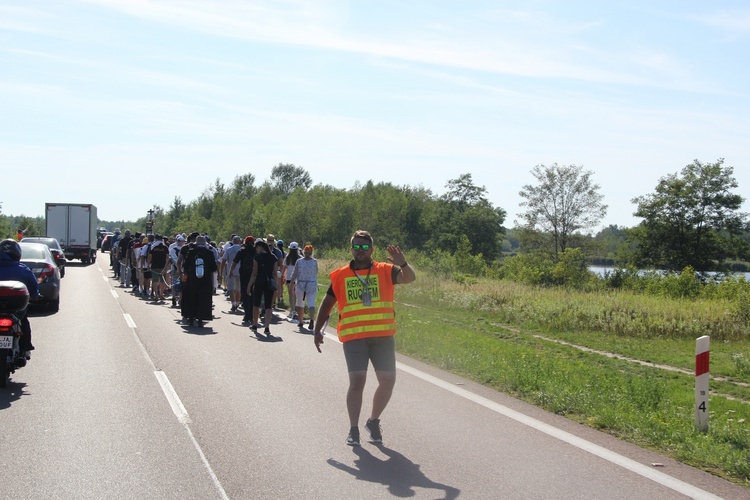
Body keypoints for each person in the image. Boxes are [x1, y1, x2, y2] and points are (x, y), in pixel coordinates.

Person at [313, 230, 416, 446]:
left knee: (388, 381)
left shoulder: (386, 270)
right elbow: (327, 302)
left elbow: (409, 278)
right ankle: (353, 429)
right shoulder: (340, 275)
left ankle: (373, 421)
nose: (360, 250)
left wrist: (403, 263)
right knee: (358, 380)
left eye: (364, 246)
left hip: (383, 336)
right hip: (354, 336)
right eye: (356, 247)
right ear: (351, 249)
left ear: (371, 249)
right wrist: (317, 329)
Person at [0, 239, 40, 358]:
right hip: (17, 309)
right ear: (17, 254)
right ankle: (25, 348)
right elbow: (33, 287)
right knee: (24, 323)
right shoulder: (23, 269)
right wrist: (35, 295)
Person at [180, 235, 217, 327]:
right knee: (203, 298)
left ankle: (191, 318)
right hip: (205, 280)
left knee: (191, 298)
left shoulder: (191, 252)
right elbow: (214, 267)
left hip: (192, 279)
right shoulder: (209, 252)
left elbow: (185, 265)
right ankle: (201, 319)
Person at [247, 239, 278, 336]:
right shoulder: (274, 257)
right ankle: (267, 327)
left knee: (256, 304)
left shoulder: (257, 257)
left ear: (260, 247)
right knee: (268, 306)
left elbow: (254, 273)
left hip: (259, 282)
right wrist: (276, 285)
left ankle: (255, 324)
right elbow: (275, 273)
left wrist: (249, 286)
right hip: (269, 282)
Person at [229, 235, 256, 324]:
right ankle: (252, 315)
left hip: (244, 274)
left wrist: (231, 271)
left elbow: (235, 262)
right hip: (253, 274)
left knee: (244, 294)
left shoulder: (242, 251)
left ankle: (247, 314)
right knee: (252, 294)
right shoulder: (255, 251)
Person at [290, 244, 318, 330]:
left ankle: (301, 321)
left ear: (304, 252)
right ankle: (312, 319)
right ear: (312, 252)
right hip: (312, 284)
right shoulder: (314, 261)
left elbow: (295, 272)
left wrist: (291, 282)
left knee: (300, 303)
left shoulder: (299, 261)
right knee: (311, 303)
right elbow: (316, 271)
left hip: (301, 284)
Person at [221, 235, 243, 312]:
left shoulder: (229, 249)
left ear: (233, 242)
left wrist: (221, 271)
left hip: (231, 271)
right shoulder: (241, 249)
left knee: (231, 288)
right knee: (238, 289)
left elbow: (223, 260)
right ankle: (237, 302)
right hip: (240, 271)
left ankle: (233, 303)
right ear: (239, 242)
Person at [148, 234, 169, 301]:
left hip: (154, 266)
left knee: (155, 281)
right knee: (162, 281)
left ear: (155, 239)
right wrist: (167, 266)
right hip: (163, 266)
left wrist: (148, 264)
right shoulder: (165, 247)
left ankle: (156, 295)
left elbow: (150, 256)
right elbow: (168, 257)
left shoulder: (153, 246)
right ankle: (161, 294)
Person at [283, 242, 301, 319]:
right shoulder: (300, 257)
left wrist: (283, 276)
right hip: (297, 278)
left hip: (289, 278)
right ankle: (294, 309)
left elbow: (284, 268)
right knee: (295, 293)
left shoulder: (287, 257)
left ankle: (292, 309)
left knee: (291, 294)